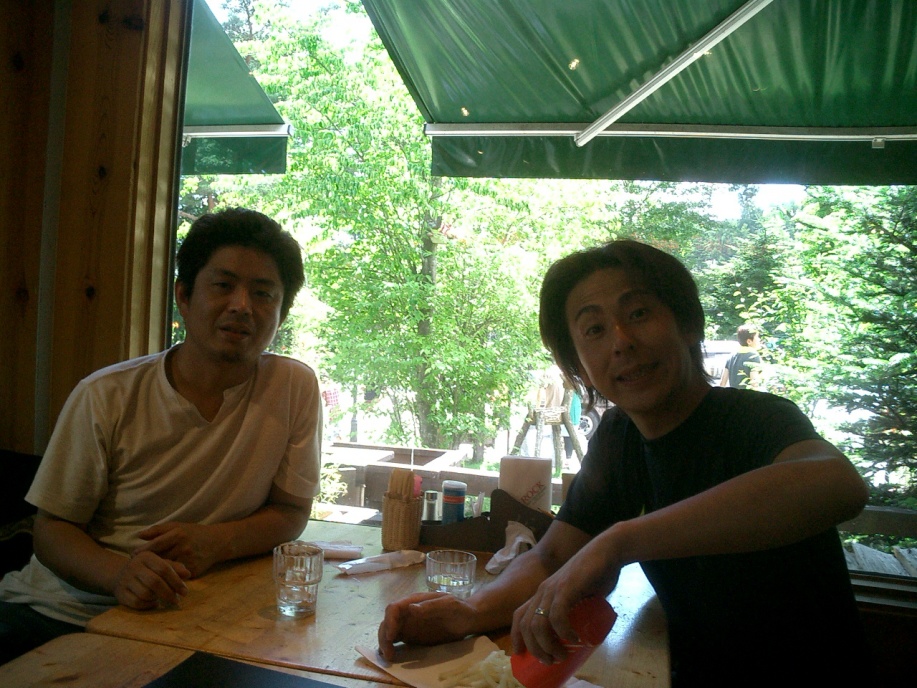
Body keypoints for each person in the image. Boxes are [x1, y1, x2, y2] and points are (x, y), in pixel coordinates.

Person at [378, 240, 872, 686]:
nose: (620, 341)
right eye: (594, 329)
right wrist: (468, 612)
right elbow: (552, 557)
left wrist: (618, 541)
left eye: (638, 313)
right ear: (578, 365)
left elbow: (837, 484)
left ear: (688, 324)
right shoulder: (619, 439)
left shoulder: (754, 418)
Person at [0, 208, 322, 664]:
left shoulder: (293, 387)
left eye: (263, 293)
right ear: (184, 296)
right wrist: (119, 575)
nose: (242, 306)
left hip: (192, 616)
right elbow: (50, 531)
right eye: (223, 285)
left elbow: (291, 511)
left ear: (281, 312)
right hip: (62, 613)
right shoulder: (107, 395)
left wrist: (217, 542)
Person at [719, 323, 762, 389]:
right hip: (747, 394)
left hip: (734, 394)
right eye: (757, 337)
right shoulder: (753, 356)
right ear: (749, 341)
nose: (759, 339)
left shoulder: (731, 356)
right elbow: (754, 383)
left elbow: (722, 383)